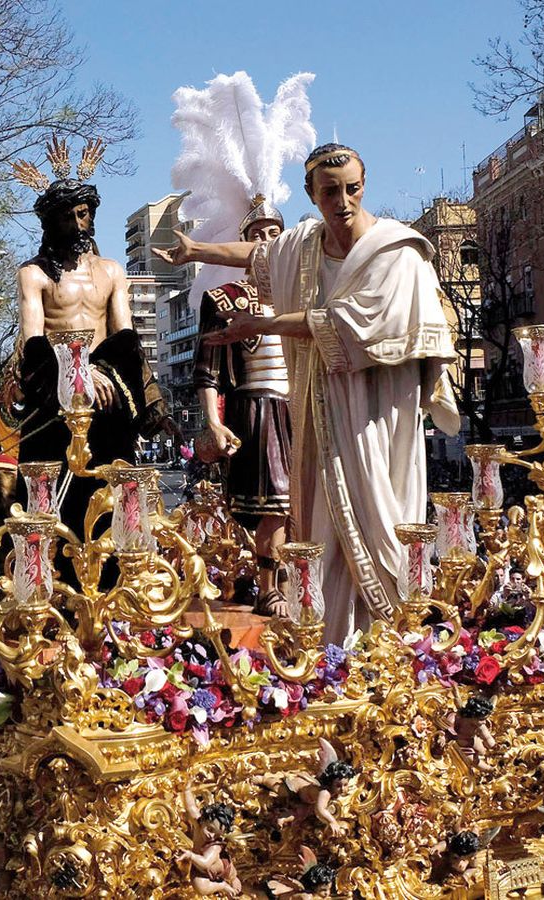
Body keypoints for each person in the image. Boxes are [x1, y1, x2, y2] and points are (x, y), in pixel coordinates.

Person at [157, 142, 459, 641]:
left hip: (378, 408)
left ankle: (394, 630)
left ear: (364, 185)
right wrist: (196, 252)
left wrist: (266, 321)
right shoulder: (303, 248)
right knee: (321, 519)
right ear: (312, 194)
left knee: (381, 514)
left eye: (352, 189)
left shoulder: (397, 250)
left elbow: (351, 326)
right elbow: (258, 257)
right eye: (330, 192)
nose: (343, 201)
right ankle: (332, 638)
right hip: (316, 407)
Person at [10, 143, 165, 540]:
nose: (80, 224)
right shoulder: (33, 274)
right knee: (50, 485)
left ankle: (122, 557)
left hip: (106, 387)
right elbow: (34, 341)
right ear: (51, 223)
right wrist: (76, 372)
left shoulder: (112, 271)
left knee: (114, 476)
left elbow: (124, 336)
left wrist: (101, 373)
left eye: (85, 214)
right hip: (53, 388)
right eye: (69, 217)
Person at [193, 202, 294, 616]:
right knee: (275, 504)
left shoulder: (302, 293)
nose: (266, 241)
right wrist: (213, 422)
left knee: (303, 505)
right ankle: (269, 587)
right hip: (257, 410)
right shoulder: (224, 299)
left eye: (274, 233)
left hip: (302, 407)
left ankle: (294, 582)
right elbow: (207, 372)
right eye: (257, 234)